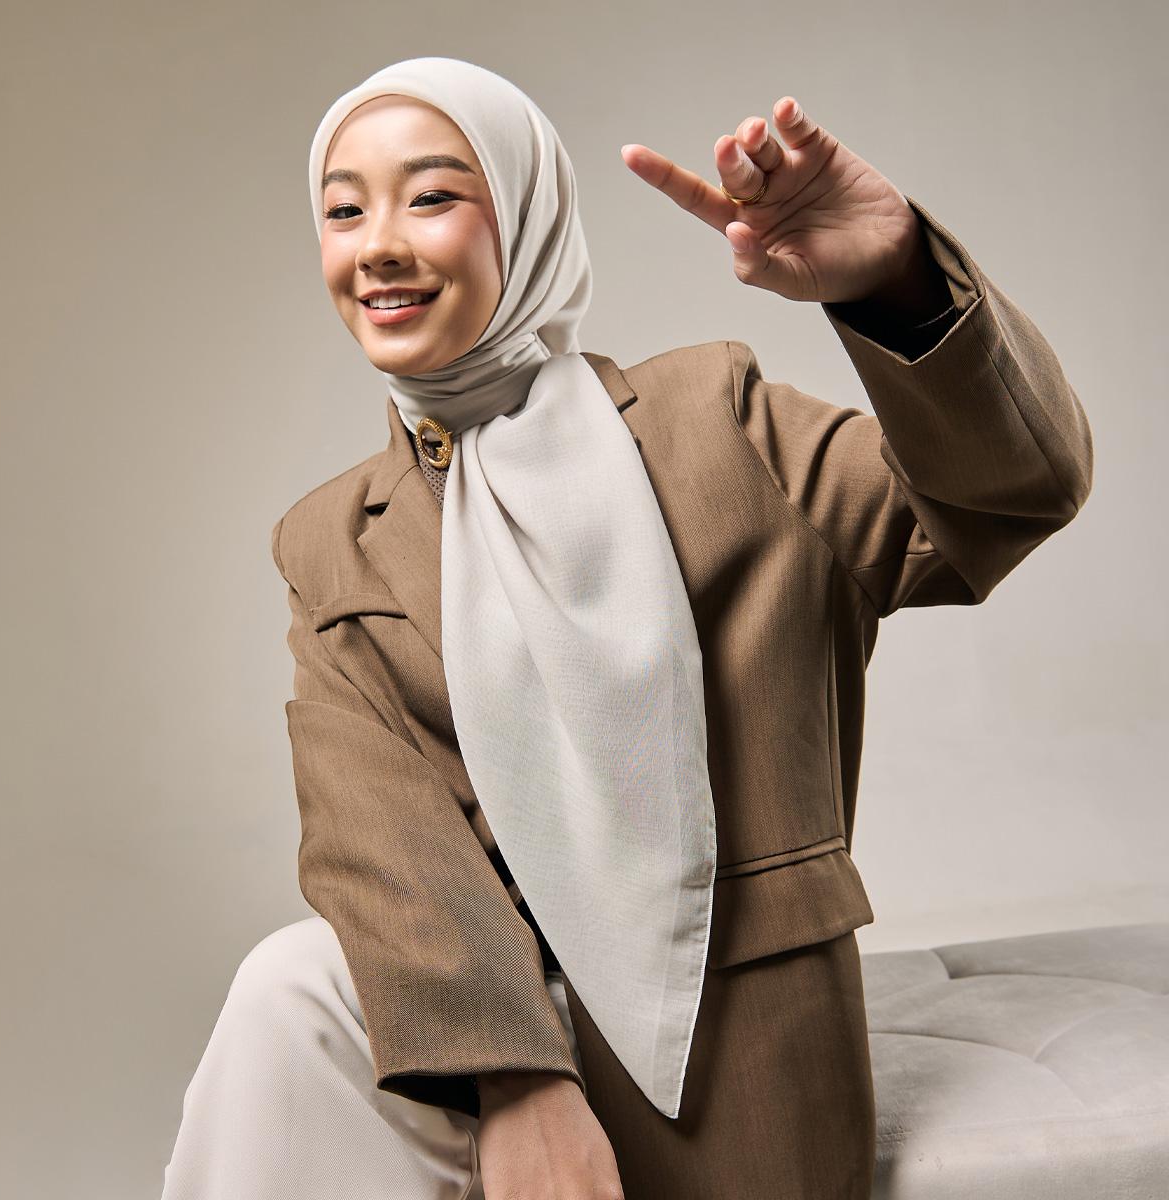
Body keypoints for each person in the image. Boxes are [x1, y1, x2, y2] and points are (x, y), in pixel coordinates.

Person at [162, 56, 1093, 1200]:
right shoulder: (330, 539)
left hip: (723, 1042)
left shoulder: (718, 422)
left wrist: (897, 281)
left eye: (433, 196)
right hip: (466, 1047)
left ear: (528, 218)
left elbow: (1009, 497)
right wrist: (518, 1085)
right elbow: (380, 832)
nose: (378, 247)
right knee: (290, 988)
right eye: (344, 211)